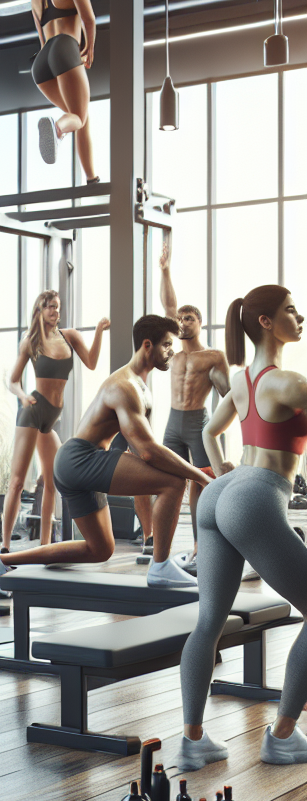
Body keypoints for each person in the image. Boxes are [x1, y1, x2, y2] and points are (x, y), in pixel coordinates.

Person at [177, 286, 307, 770]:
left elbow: (211, 432)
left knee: (209, 620)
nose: (301, 315)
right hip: (257, 495)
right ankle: (282, 736)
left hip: (219, 495)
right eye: (291, 310)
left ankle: (192, 742)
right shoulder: (288, 383)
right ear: (268, 323)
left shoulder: (242, 380)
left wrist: (223, 473)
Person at [0, 315, 209, 589]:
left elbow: (143, 449)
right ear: (147, 345)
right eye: (167, 345)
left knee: (100, 549)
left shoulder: (140, 385)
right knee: (174, 482)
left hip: (76, 463)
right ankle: (160, 567)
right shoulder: (125, 386)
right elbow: (148, 452)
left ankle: (2, 561)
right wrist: (200, 476)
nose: (172, 352)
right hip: (81, 459)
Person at [2, 289, 109, 550]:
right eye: (50, 306)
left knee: (52, 480)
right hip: (33, 413)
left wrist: (98, 331)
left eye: (57, 307)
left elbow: (92, 362)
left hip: (51, 419)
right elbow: (12, 379)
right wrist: (22, 395)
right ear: (39, 310)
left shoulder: (69, 337)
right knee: (17, 481)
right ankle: (4, 547)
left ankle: (44, 545)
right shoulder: (30, 342)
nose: (55, 311)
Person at [159, 242, 234, 575]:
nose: (183, 321)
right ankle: (164, 551)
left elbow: (228, 393)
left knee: (203, 485)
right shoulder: (173, 355)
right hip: (172, 423)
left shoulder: (213, 356)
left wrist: (220, 433)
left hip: (198, 422)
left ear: (200, 323)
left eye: (189, 318)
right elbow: (169, 304)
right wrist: (164, 270)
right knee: (168, 482)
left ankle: (201, 547)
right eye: (181, 318)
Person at [29, 0, 98, 181]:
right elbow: (89, 19)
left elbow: (41, 41)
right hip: (64, 49)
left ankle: (91, 178)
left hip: (41, 65)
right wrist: (89, 48)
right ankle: (56, 128)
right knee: (77, 117)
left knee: (81, 117)